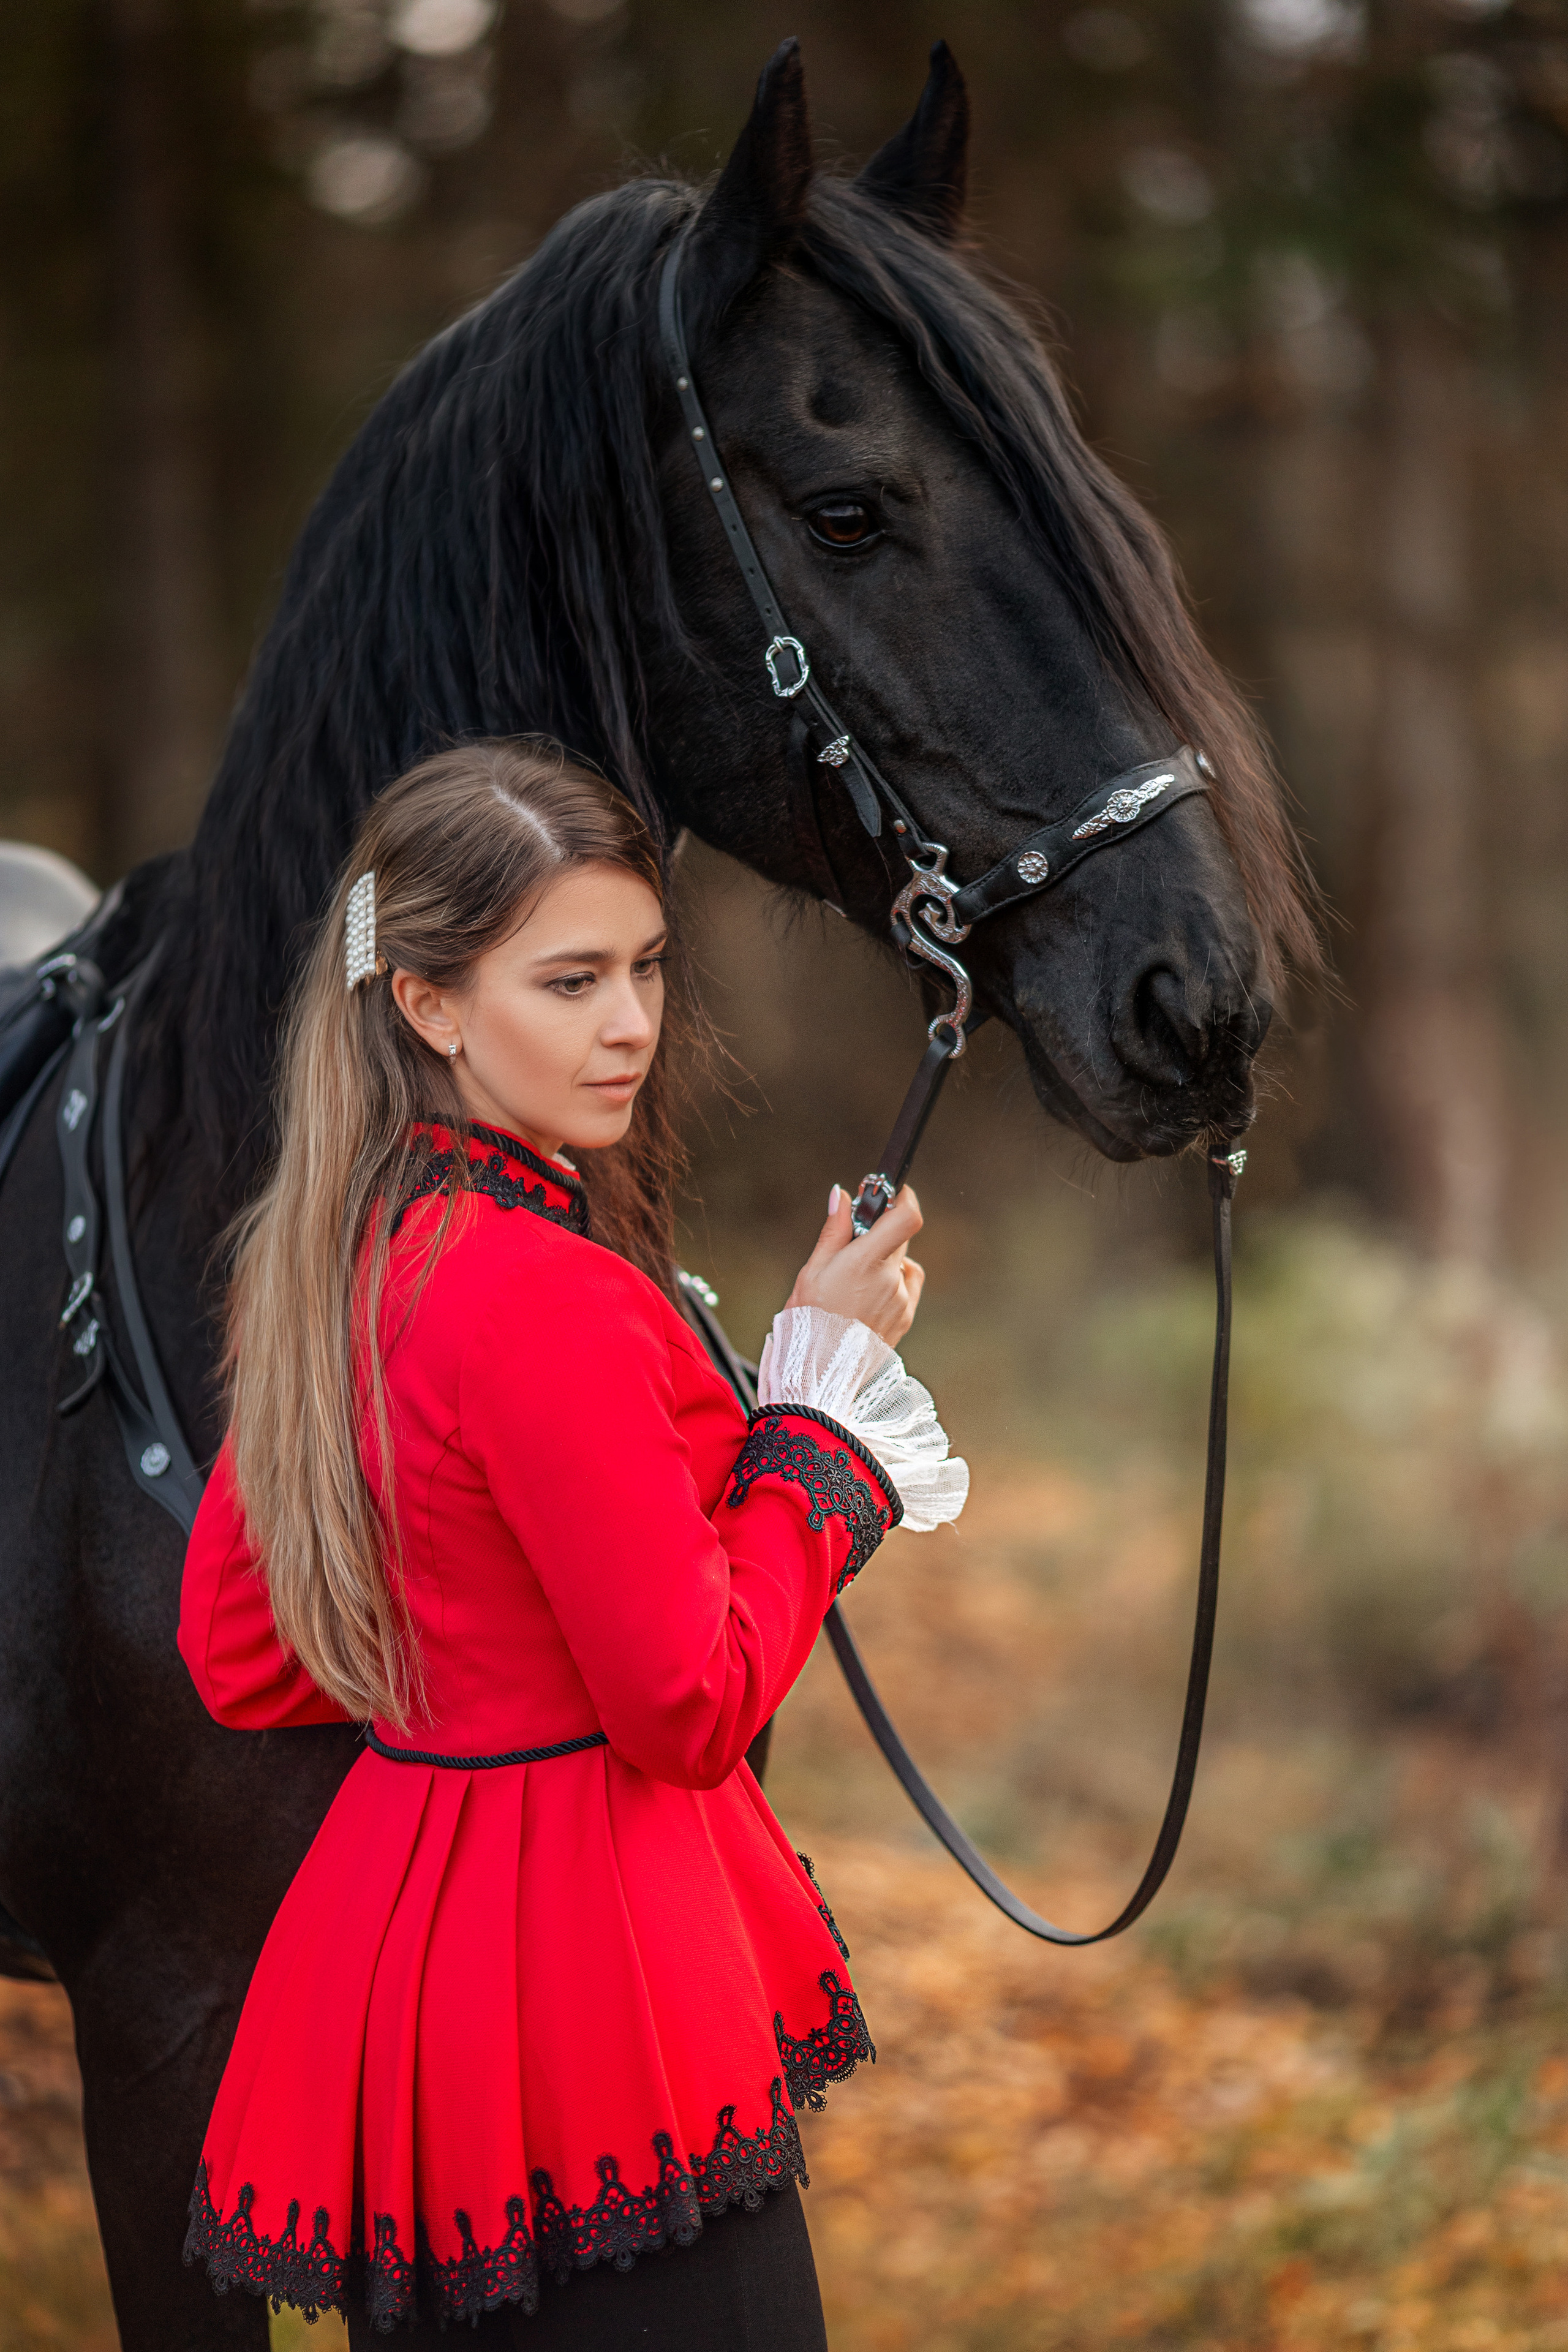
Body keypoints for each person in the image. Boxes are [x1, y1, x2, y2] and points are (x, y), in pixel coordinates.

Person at [177, 739, 968, 2347]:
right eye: (571, 980)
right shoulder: (544, 1293)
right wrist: (816, 1418)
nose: (630, 1026)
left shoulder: (337, 1260)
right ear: (430, 1004)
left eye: (648, 968)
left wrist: (476, 1655)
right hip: (602, 1997)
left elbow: (243, 1657)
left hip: (412, 1991)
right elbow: (690, 1705)